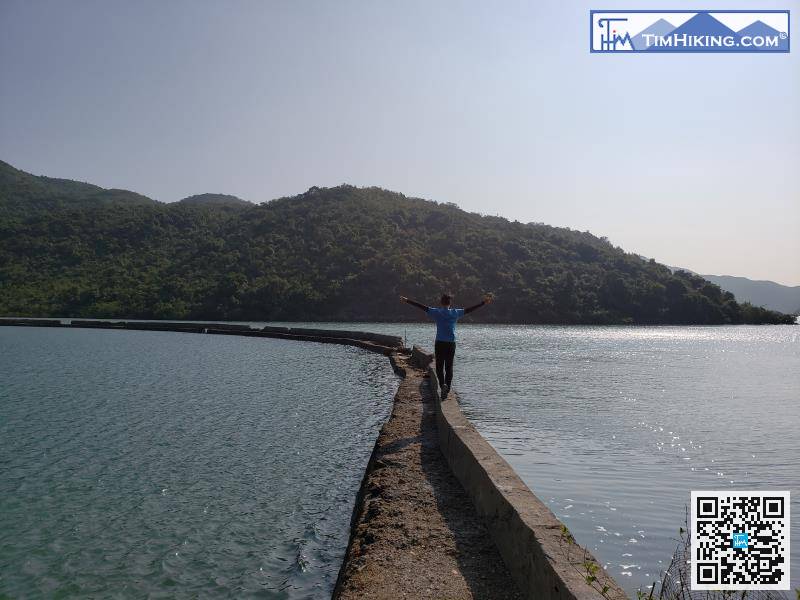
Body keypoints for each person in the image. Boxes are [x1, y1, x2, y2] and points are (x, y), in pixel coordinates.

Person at [399, 292, 493, 396]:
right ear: (450, 303)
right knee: (449, 366)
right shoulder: (455, 312)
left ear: (441, 302)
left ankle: (442, 384)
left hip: (439, 342)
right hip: (451, 343)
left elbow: (422, 307)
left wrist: (407, 300)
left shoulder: (437, 312)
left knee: (439, 366)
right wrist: (483, 303)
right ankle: (447, 389)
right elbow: (469, 309)